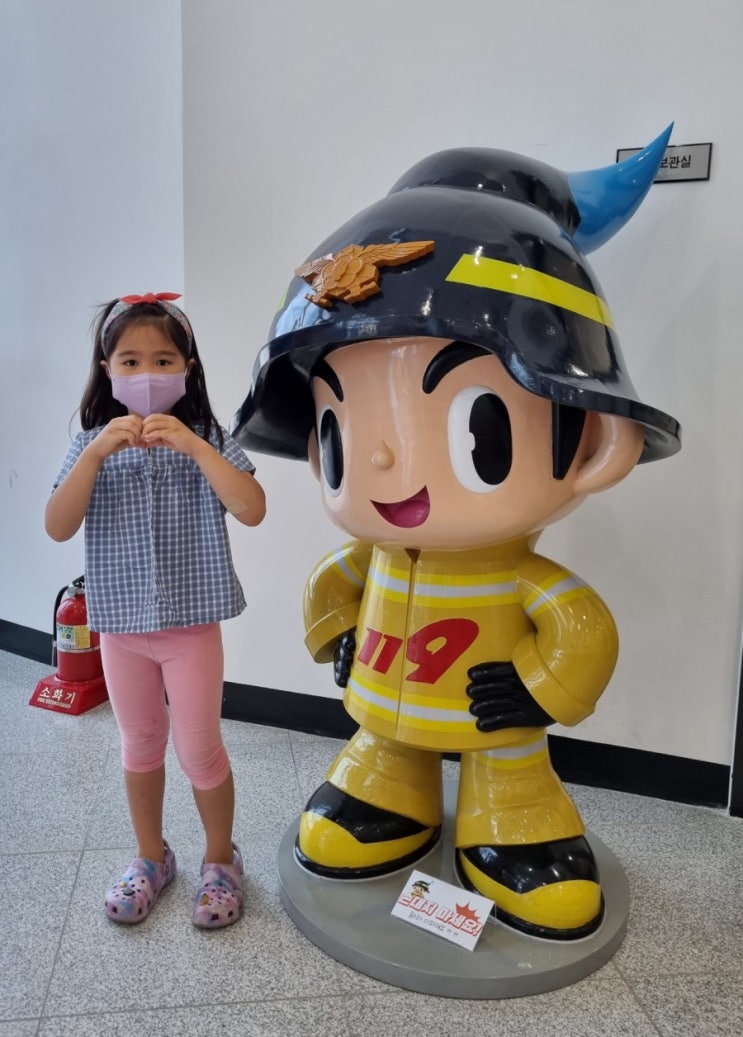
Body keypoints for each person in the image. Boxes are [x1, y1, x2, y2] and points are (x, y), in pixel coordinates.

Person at [231, 132, 681, 940]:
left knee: (507, 755)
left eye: (478, 426)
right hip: (382, 716)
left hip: (499, 728)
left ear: (592, 442)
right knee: (377, 758)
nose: (380, 460)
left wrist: (538, 689)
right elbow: (330, 586)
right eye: (338, 428)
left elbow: (581, 626)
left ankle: (512, 810)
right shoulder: (366, 556)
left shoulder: (522, 579)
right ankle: (386, 781)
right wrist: (338, 635)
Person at [45, 292, 266, 928]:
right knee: (140, 743)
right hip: (120, 629)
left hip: (191, 629)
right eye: (131, 361)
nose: (147, 374)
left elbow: (252, 508)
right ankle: (151, 857)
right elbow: (58, 526)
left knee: (199, 749)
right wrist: (94, 455)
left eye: (163, 360)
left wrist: (197, 449)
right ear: (108, 371)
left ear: (187, 369)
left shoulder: (209, 439)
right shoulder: (89, 445)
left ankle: (220, 861)